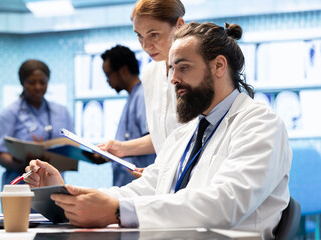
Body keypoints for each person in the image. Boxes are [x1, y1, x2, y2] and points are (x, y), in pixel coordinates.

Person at [25, 22, 291, 239]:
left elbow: (225, 202)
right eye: (172, 68)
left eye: (184, 67)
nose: (173, 79)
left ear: (219, 66)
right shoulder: (186, 133)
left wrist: (117, 212)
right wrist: (66, 195)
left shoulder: (261, 125)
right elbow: (145, 189)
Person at [98, 0, 186, 171]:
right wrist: (122, 148)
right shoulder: (151, 73)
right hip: (166, 180)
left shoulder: (198, 71)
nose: (145, 46)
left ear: (179, 26)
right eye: (139, 35)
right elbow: (162, 137)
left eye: (154, 35)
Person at [0, 59, 74, 187]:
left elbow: (72, 148)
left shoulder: (62, 112)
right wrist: (22, 165)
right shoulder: (8, 114)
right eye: (32, 83)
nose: (38, 87)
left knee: (56, 206)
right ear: (22, 83)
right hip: (21, 186)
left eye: (42, 82)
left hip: (54, 185)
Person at [97, 45, 156, 186]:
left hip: (139, 185)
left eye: (109, 75)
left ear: (123, 71)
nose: (107, 81)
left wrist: (121, 148)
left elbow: (155, 139)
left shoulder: (142, 96)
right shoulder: (134, 97)